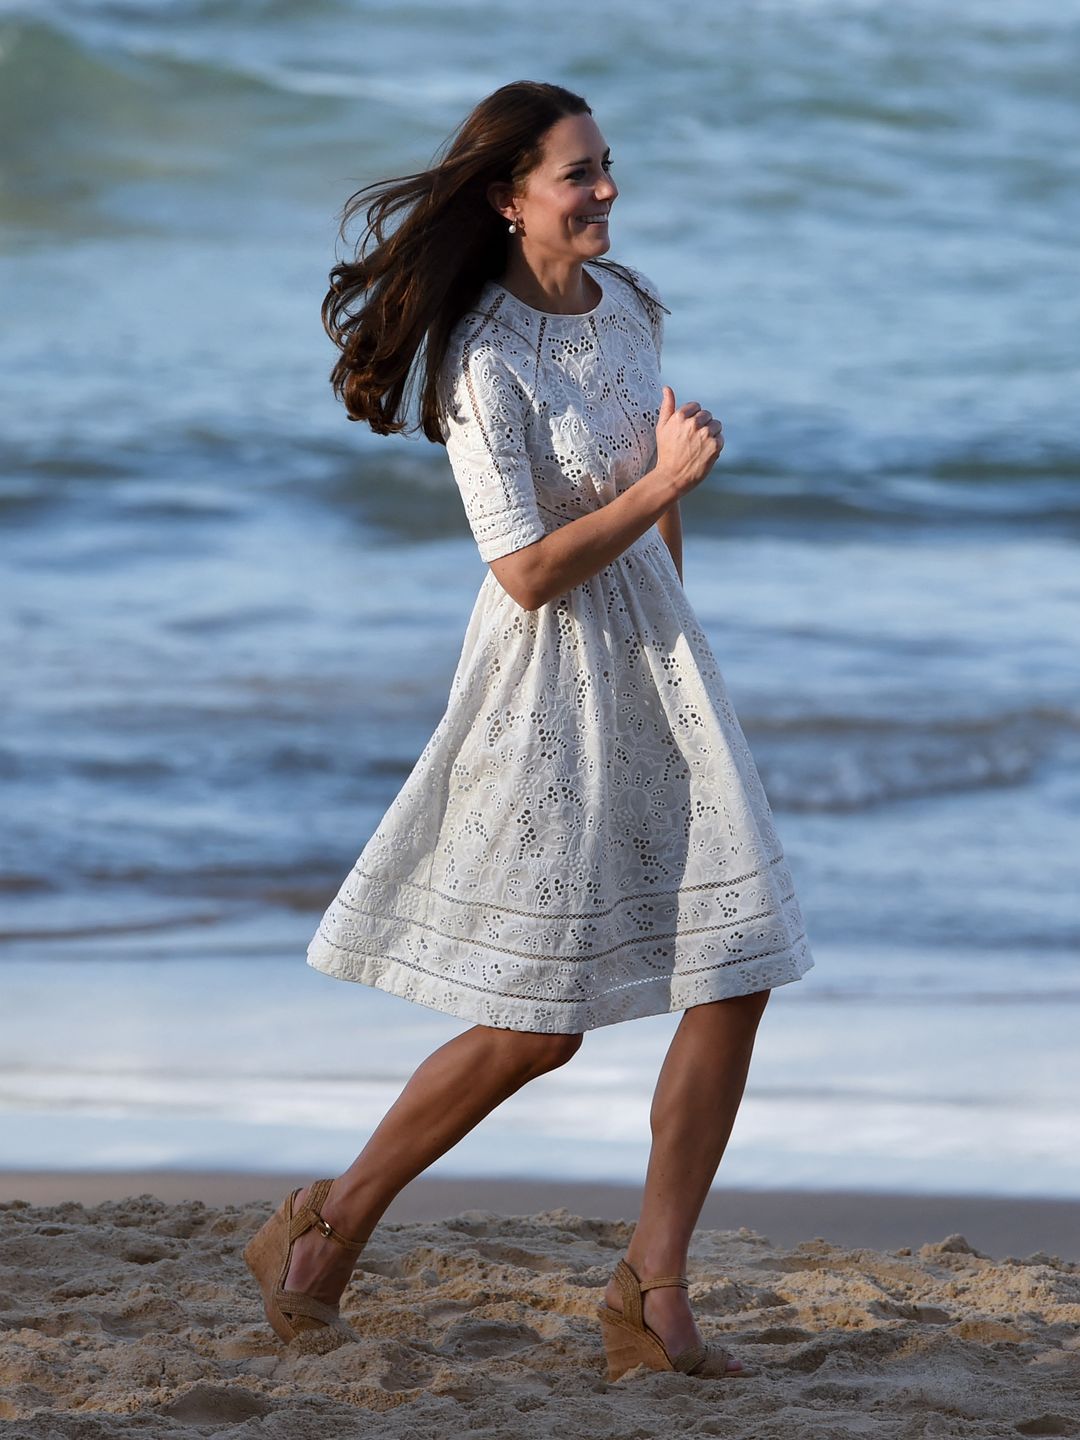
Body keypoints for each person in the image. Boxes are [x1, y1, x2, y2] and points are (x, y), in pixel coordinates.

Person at [243, 80, 814, 1381]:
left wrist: (675, 597)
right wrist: (668, 484)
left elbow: (641, 478)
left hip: (659, 667)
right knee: (537, 1021)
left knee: (736, 963)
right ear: (509, 198)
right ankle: (324, 1227)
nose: (606, 190)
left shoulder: (631, 308)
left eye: (609, 166)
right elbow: (525, 571)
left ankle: (652, 1294)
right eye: (579, 174)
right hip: (544, 685)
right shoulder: (480, 360)